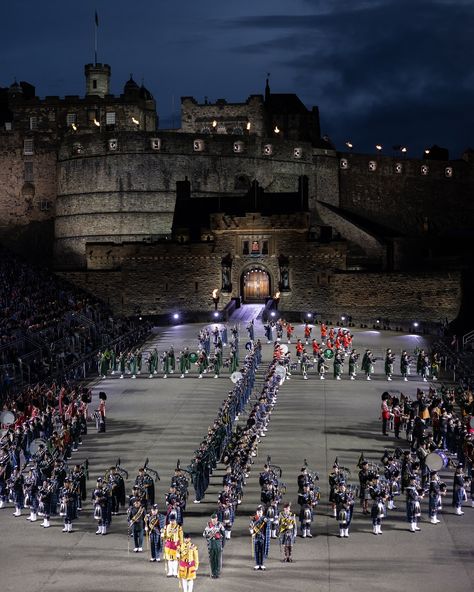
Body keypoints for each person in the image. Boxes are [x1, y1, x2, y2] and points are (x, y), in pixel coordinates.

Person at [203, 513, 225, 578]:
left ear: (217, 519)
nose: (214, 521)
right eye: (212, 520)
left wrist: (222, 545)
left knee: (218, 559)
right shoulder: (208, 526)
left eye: (215, 519)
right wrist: (208, 537)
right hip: (211, 543)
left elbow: (224, 535)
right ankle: (213, 572)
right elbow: (204, 534)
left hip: (218, 543)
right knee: (212, 559)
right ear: (211, 519)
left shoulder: (220, 525)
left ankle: (217, 573)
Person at [249, 505, 270, 570]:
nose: (259, 513)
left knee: (262, 551)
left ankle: (262, 564)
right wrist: (251, 531)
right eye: (258, 511)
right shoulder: (254, 518)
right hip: (256, 537)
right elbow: (251, 526)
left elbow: (268, 525)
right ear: (256, 512)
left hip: (262, 537)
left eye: (260, 511)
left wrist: (267, 521)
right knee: (256, 551)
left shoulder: (264, 519)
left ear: (262, 512)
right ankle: (257, 564)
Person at [162, 512, 184, 576]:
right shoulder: (167, 527)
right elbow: (165, 536)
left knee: (175, 559)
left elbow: (181, 537)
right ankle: (170, 571)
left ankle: (175, 572)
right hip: (169, 544)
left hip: (176, 544)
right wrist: (163, 535)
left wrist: (181, 545)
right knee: (169, 559)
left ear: (175, 520)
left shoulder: (178, 527)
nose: (172, 522)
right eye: (171, 520)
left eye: (173, 520)